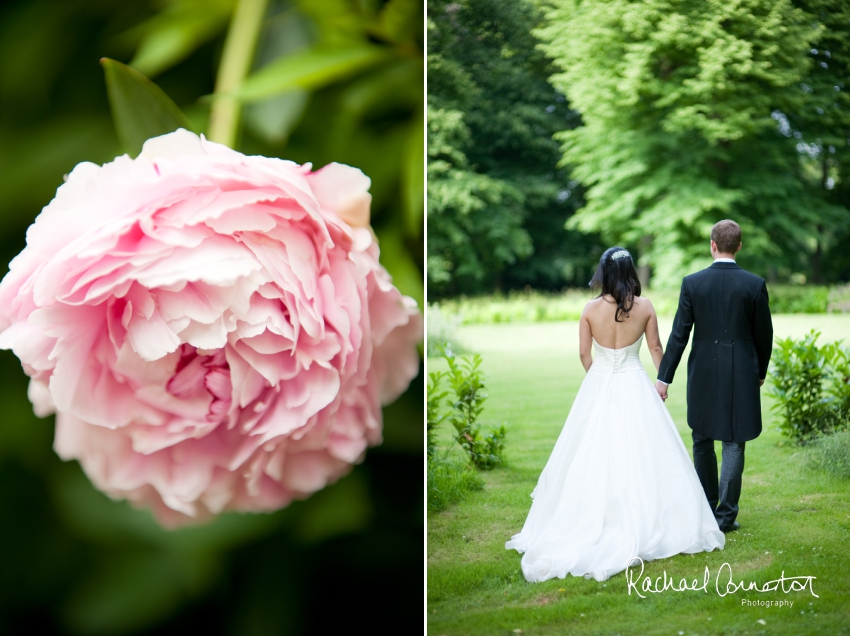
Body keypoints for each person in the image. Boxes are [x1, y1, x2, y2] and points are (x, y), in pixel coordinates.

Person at [505, 247, 724, 583]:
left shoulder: (590, 309)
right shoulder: (645, 307)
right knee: (647, 451)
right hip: (635, 382)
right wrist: (661, 383)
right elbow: (655, 349)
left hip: (601, 382)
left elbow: (583, 352)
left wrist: (599, 379)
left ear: (603, 273)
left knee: (593, 453)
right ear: (630, 272)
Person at [655, 220, 773, 534]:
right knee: (734, 442)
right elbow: (765, 336)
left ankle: (707, 509)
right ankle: (725, 517)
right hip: (742, 371)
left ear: (712, 244)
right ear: (739, 246)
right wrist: (759, 372)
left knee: (702, 438)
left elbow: (679, 334)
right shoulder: (754, 284)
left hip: (704, 369)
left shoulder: (692, 283)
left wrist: (663, 378)